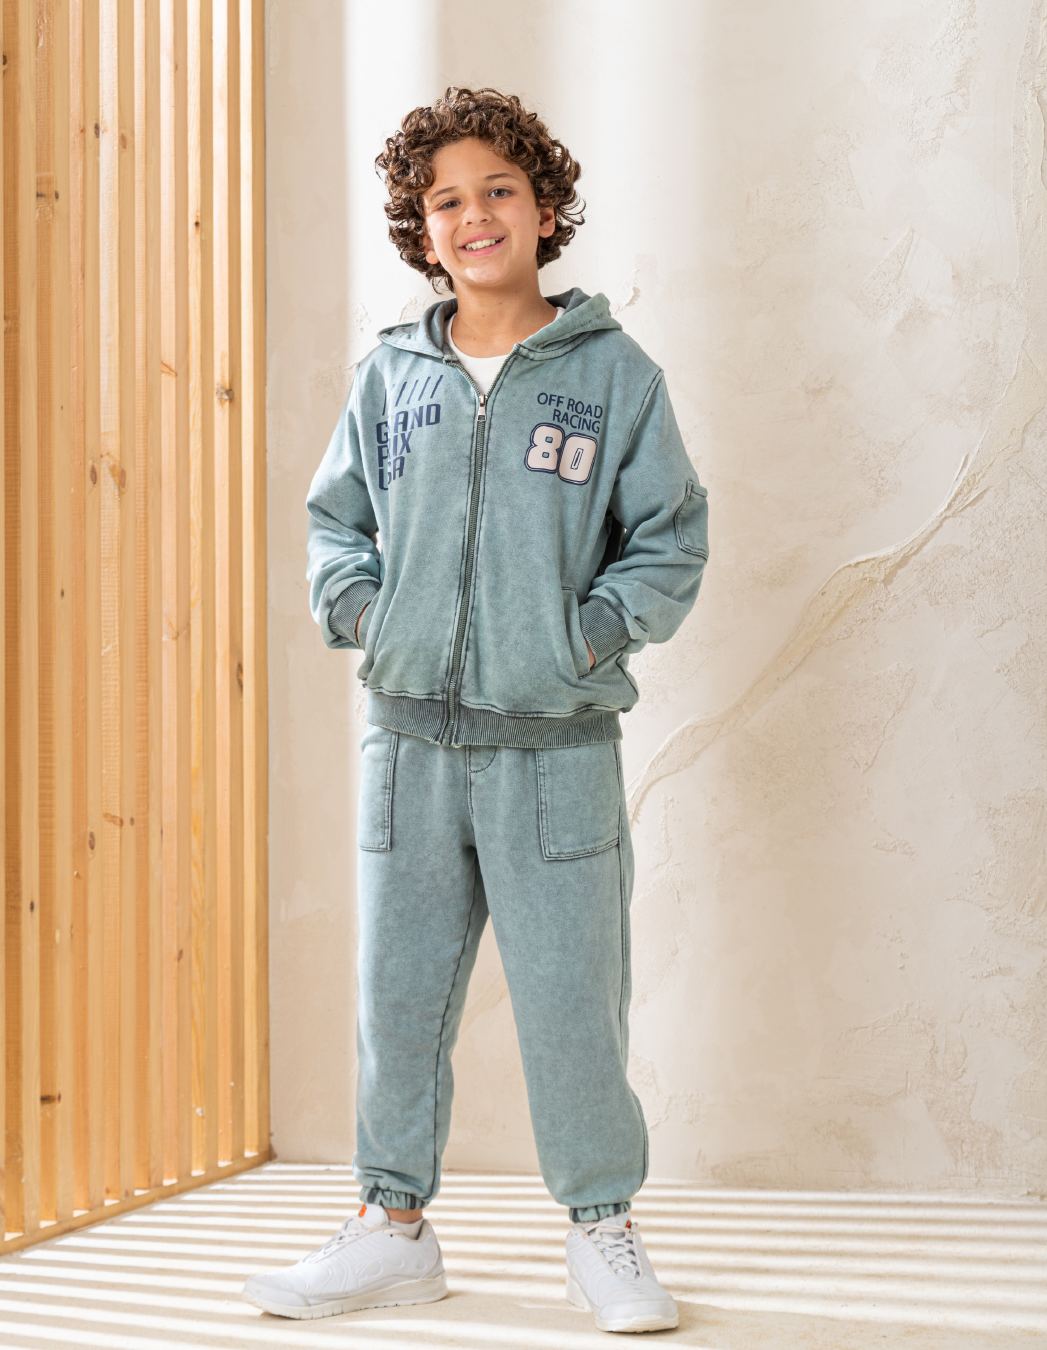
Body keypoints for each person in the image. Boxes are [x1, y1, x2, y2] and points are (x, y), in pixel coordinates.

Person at [243, 87, 708, 1335]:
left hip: (556, 752)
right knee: (395, 1005)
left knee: (572, 1004)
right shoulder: (392, 374)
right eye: (445, 199)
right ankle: (391, 1229)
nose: (474, 214)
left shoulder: (614, 376)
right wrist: (363, 614)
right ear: (422, 230)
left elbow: (669, 539)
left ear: (546, 209)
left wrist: (583, 637)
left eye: (499, 188)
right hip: (406, 746)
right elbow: (335, 523)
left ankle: (602, 1231)